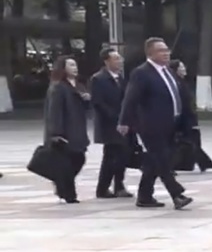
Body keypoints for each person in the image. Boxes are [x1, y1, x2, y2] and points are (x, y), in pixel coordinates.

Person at [118, 37, 192, 210]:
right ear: (150, 53)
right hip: (151, 125)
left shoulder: (168, 71)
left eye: (166, 50)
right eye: (161, 50)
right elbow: (131, 98)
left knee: (154, 160)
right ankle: (177, 194)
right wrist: (124, 121)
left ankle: (144, 196)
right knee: (161, 159)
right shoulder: (142, 73)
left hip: (171, 123)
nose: (166, 53)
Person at [42, 56, 91, 203]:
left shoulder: (78, 85)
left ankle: (61, 185)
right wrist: (55, 133)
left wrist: (86, 99)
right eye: (71, 65)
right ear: (62, 68)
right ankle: (69, 194)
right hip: (65, 130)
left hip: (77, 128)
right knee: (68, 162)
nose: (75, 68)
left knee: (78, 158)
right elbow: (54, 111)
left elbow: (84, 107)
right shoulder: (58, 87)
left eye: (75, 65)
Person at [89, 47, 131, 199]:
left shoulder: (121, 78)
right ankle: (102, 188)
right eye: (116, 59)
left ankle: (119, 185)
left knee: (123, 156)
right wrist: (116, 118)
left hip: (124, 124)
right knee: (110, 157)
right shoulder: (98, 79)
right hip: (109, 125)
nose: (120, 61)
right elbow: (98, 103)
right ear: (107, 61)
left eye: (120, 58)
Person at [169, 60, 212, 172]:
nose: (184, 69)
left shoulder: (181, 82)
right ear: (176, 70)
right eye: (181, 67)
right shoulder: (176, 83)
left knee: (192, 141)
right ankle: (204, 163)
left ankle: (202, 163)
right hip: (184, 118)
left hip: (188, 117)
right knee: (190, 141)